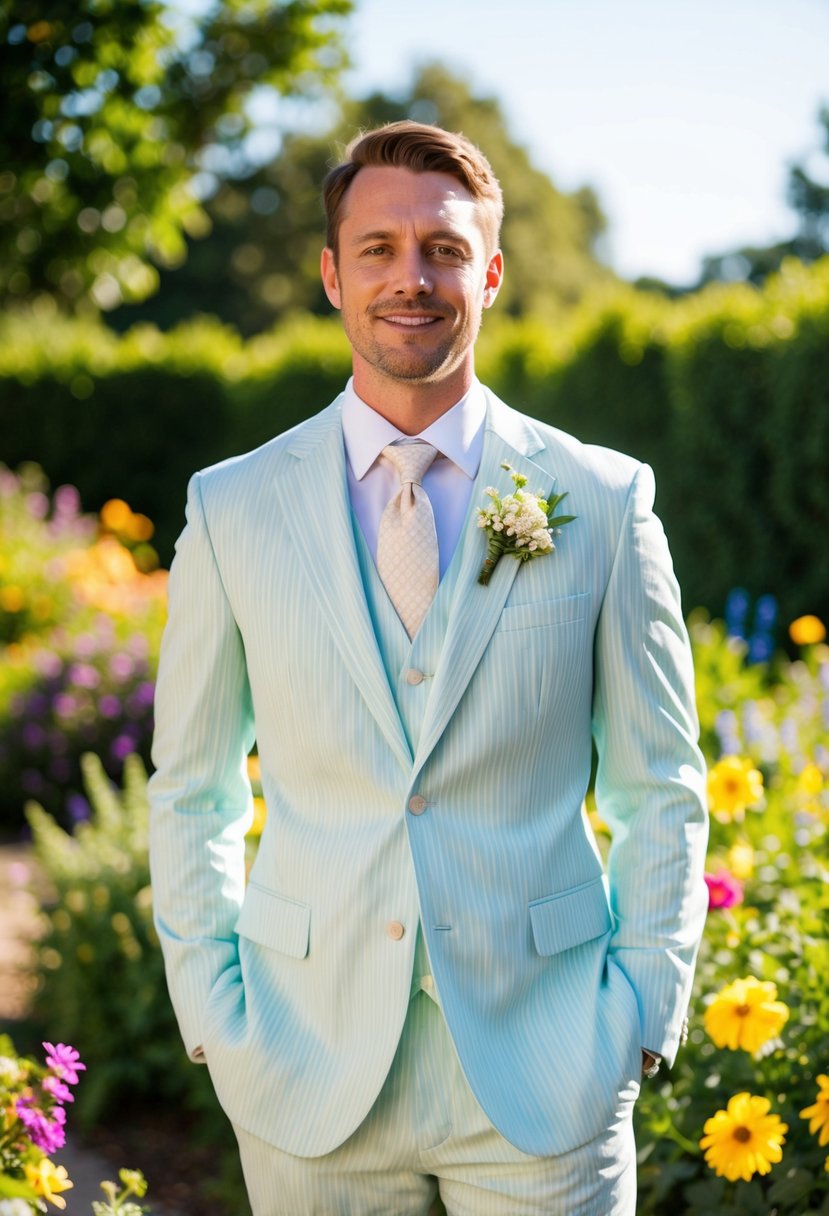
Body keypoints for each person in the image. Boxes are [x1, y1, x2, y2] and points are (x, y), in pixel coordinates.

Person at [149, 120, 709, 1215]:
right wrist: (214, 1011)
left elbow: (662, 786)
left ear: (489, 273)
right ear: (330, 272)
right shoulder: (232, 507)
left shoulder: (600, 501)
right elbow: (192, 783)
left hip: (547, 1072)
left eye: (444, 250)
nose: (412, 278)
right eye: (378, 248)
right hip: (306, 1070)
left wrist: (640, 1012)